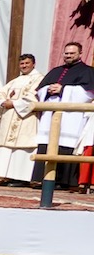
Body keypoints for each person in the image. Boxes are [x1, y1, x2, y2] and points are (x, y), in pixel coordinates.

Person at [31, 42, 94, 190]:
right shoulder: (55, 71)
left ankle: (63, 181)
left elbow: (88, 94)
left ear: (80, 54)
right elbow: (39, 90)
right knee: (46, 145)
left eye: (72, 53)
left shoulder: (88, 71)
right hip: (50, 115)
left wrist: (63, 89)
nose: (68, 56)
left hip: (71, 117)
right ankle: (42, 179)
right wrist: (48, 89)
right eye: (66, 53)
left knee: (65, 146)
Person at [0, 53, 43, 186]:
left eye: (27, 63)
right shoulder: (15, 80)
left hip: (26, 118)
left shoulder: (39, 79)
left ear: (33, 64)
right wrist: (2, 102)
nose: (24, 66)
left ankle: (21, 178)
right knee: (7, 148)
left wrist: (13, 103)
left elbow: (34, 97)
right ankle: (8, 176)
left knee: (22, 147)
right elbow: (0, 94)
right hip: (9, 117)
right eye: (22, 63)